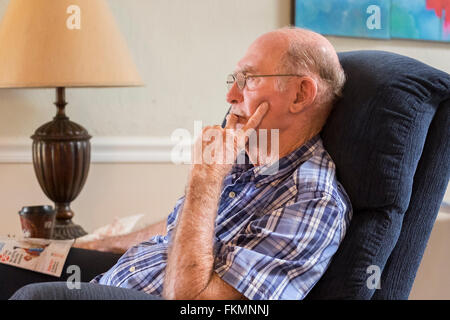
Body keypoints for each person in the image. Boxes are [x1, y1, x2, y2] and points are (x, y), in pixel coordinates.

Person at [10, 26, 352, 300]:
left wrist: (205, 178)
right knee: (7, 258)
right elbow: (176, 229)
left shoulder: (311, 201)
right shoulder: (245, 160)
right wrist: (97, 244)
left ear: (300, 94)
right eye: (233, 80)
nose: (230, 96)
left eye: (248, 80)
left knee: (37, 297)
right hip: (112, 280)